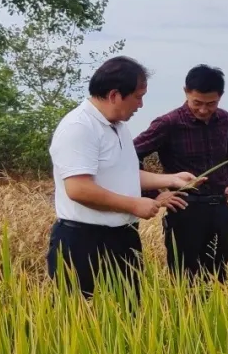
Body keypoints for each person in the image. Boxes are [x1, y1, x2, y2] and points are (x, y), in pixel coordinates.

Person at [47, 56, 200, 298]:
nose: (140, 105)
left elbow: (125, 173)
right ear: (115, 95)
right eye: (138, 97)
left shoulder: (118, 126)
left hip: (122, 239)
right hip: (84, 241)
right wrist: (134, 204)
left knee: (128, 318)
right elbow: (78, 189)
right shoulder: (79, 127)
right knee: (81, 320)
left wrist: (170, 179)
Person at [133, 64, 228, 283]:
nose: (203, 110)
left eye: (211, 104)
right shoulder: (168, 123)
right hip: (185, 208)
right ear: (186, 92)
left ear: (220, 97)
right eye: (197, 103)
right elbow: (129, 155)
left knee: (218, 275)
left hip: (219, 208)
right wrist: (155, 195)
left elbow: (227, 154)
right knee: (185, 278)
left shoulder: (223, 119)